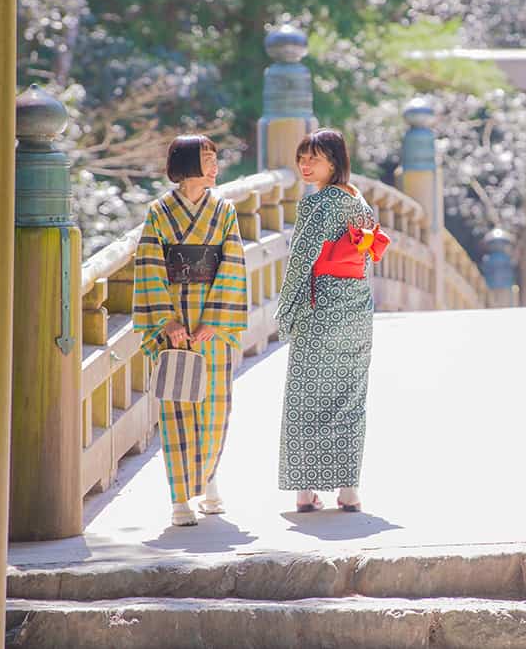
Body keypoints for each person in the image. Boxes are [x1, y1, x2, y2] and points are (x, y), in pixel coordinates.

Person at [133, 135, 249, 526]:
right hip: (174, 324)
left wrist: (214, 320)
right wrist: (166, 320)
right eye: (206, 159)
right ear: (187, 164)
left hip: (211, 325)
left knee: (215, 407)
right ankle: (180, 498)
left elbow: (232, 264)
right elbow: (149, 266)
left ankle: (209, 481)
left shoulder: (224, 211)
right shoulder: (159, 212)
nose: (214, 166)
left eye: (214, 158)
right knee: (177, 407)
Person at [275, 129, 379, 513]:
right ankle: (348, 490)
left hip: (319, 311)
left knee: (306, 398)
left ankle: (304, 492)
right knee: (350, 399)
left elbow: (302, 259)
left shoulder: (317, 203)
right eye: (302, 158)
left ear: (334, 163)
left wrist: (286, 309)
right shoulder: (358, 200)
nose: (305, 165)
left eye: (314, 159)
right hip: (356, 310)